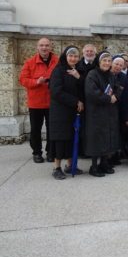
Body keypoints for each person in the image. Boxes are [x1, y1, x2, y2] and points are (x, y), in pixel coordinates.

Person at [19, 37, 58, 163]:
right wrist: (37, 81)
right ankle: (37, 152)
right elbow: (23, 80)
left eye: (47, 45)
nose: (44, 48)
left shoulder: (57, 61)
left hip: (53, 102)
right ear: (37, 47)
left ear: (51, 47)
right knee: (36, 129)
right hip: (36, 103)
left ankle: (51, 152)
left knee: (52, 128)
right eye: (42, 45)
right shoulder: (30, 62)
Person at [48, 46, 84, 179]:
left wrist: (78, 77)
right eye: (71, 55)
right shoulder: (58, 70)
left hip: (73, 112)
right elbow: (56, 92)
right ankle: (56, 167)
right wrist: (76, 101)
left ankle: (69, 165)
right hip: (60, 111)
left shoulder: (78, 70)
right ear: (65, 56)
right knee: (59, 139)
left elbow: (83, 88)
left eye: (76, 56)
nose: (73, 58)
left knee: (71, 138)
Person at [85, 51, 121, 177]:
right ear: (99, 62)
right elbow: (92, 92)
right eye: (104, 61)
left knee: (107, 138)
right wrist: (108, 99)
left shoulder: (111, 75)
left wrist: (116, 96)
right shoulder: (92, 74)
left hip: (109, 112)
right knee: (97, 139)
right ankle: (94, 166)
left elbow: (118, 88)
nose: (107, 63)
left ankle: (104, 163)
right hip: (96, 112)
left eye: (109, 61)